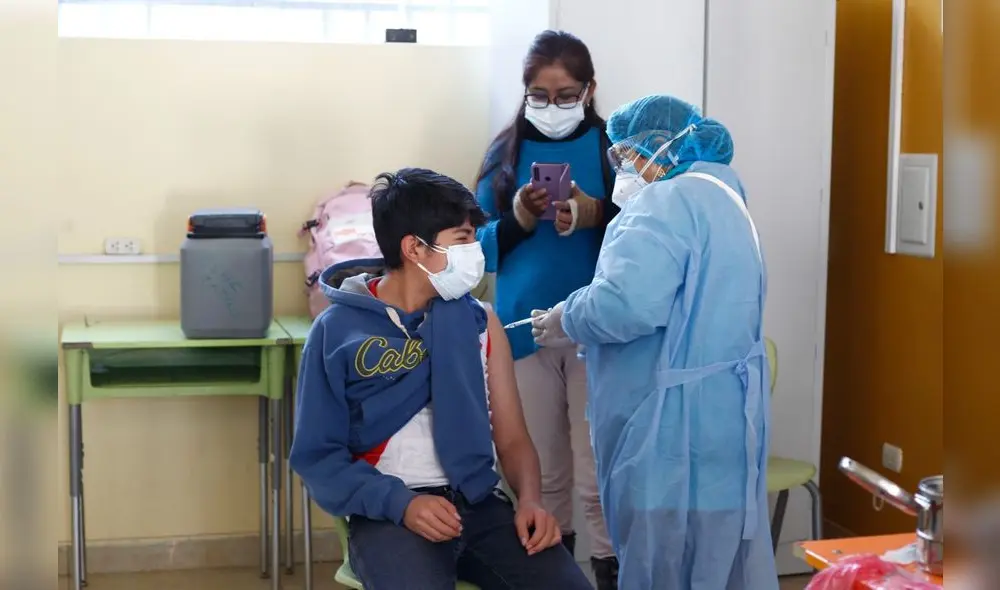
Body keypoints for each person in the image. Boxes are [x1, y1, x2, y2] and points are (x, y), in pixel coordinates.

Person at [289, 168, 593, 590]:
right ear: (414, 247)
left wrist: (530, 501)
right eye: (463, 239)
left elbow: (512, 438)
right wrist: (401, 504)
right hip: (391, 514)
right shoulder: (336, 330)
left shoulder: (481, 323)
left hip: (482, 507)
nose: (475, 251)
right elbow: (318, 457)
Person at [531, 95, 779, 589]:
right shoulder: (725, 196)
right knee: (719, 559)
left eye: (627, 155)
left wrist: (569, 316)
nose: (624, 168)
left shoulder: (665, 202)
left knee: (664, 564)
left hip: (671, 427)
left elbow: (627, 305)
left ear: (659, 148)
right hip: (725, 417)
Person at [474, 30, 619, 588]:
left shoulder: (613, 150)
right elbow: (470, 248)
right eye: (539, 94)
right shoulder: (503, 153)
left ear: (589, 90)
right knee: (542, 477)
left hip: (595, 330)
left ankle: (608, 571)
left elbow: (647, 240)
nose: (551, 106)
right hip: (521, 332)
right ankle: (554, 577)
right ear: (524, 91)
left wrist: (596, 214)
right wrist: (517, 221)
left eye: (565, 94)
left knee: (598, 474)